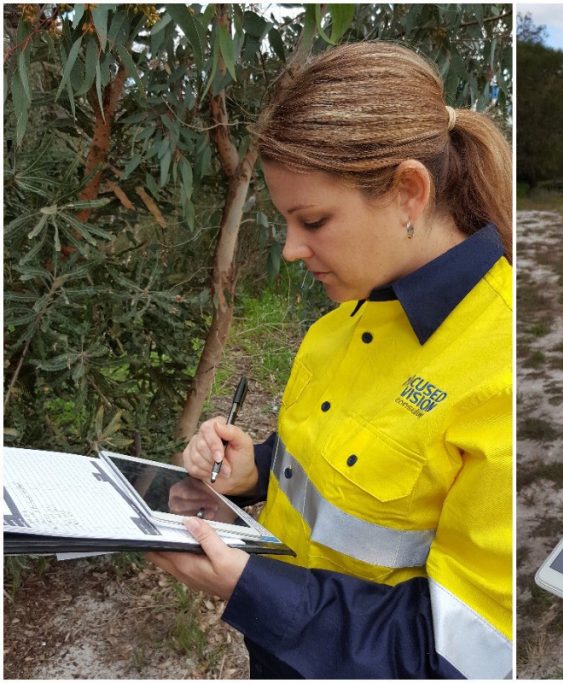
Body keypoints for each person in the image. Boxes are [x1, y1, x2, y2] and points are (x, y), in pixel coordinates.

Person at [146, 41, 513, 679]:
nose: (291, 250)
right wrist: (252, 471)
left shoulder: (503, 370)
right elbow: (340, 475)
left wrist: (253, 591)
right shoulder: (340, 322)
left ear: (408, 192)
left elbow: (463, 655)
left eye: (313, 220)